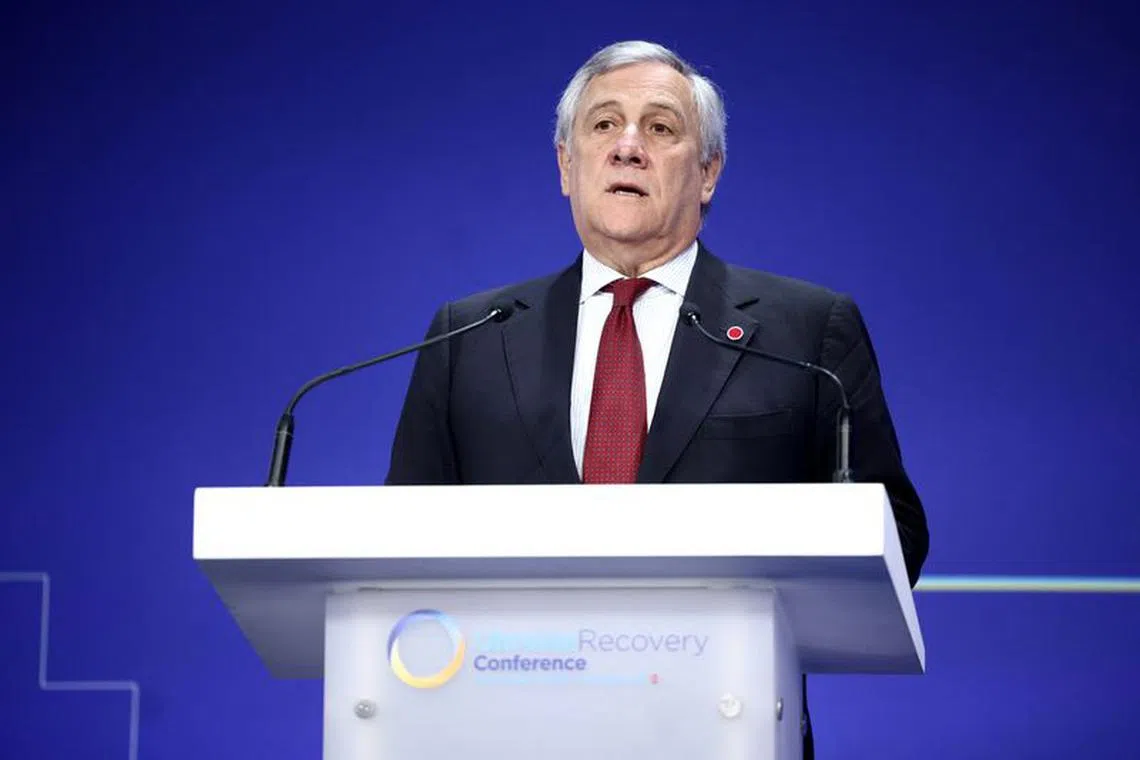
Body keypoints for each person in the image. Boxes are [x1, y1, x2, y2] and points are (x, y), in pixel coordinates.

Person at [386, 39, 929, 758]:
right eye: (604, 125)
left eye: (662, 128)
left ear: (707, 174)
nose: (629, 147)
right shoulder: (472, 334)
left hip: (722, 726)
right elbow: (396, 541)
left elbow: (892, 528)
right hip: (505, 724)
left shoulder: (806, 330)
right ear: (565, 167)